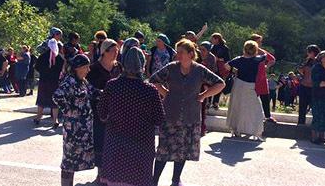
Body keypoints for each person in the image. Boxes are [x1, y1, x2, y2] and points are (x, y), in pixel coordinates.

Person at [150, 39, 225, 186]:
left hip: (191, 116)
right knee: (163, 150)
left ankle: (176, 180)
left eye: (181, 52)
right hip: (170, 115)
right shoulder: (171, 68)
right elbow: (154, 80)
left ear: (191, 54)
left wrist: (203, 95)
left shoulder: (199, 70)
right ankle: (154, 182)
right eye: (177, 52)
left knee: (183, 150)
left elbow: (220, 83)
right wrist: (165, 92)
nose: (178, 55)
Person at [98, 47, 165, 186]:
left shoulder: (112, 86)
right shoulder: (150, 90)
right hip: (141, 146)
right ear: (142, 64)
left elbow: (102, 112)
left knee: (115, 181)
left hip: (115, 143)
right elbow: (159, 119)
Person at [53, 54, 96, 186]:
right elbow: (57, 96)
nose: (88, 70)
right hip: (73, 129)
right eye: (86, 67)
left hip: (83, 128)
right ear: (78, 68)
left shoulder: (83, 81)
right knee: (69, 160)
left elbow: (94, 92)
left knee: (75, 159)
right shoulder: (69, 81)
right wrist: (69, 111)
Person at [86, 39, 122, 182]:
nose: (116, 53)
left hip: (116, 111)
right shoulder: (94, 68)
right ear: (104, 52)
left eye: (117, 51)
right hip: (98, 111)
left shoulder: (118, 67)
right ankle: (100, 175)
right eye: (113, 51)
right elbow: (87, 88)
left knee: (113, 143)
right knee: (100, 143)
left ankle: (110, 175)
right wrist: (99, 93)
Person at [225, 40, 266, 140]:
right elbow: (269, 56)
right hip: (251, 85)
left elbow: (226, 66)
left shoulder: (239, 59)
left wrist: (234, 71)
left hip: (238, 83)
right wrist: (257, 47)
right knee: (255, 109)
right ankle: (256, 131)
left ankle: (235, 129)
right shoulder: (258, 59)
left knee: (237, 106)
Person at [34, 39, 65, 128]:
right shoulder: (59, 58)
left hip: (44, 80)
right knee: (54, 101)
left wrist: (44, 72)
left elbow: (37, 67)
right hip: (54, 82)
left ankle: (38, 118)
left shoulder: (42, 56)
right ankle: (55, 120)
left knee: (41, 100)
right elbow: (62, 70)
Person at [251, 34, 277, 123]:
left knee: (265, 97)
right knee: (251, 98)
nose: (260, 43)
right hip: (252, 78)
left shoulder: (262, 52)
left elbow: (272, 59)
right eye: (259, 41)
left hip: (261, 78)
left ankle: (268, 116)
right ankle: (250, 115)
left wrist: (266, 66)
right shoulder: (248, 51)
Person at [198, 41, 218, 136]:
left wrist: (207, 85)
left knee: (202, 108)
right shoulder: (196, 56)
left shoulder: (211, 58)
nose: (201, 51)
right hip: (194, 84)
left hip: (204, 85)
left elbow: (212, 73)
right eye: (200, 49)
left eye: (203, 50)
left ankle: (202, 129)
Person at [210, 33, 231, 109]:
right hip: (212, 67)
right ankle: (209, 101)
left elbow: (227, 59)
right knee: (210, 84)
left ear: (217, 39)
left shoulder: (225, 48)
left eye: (212, 39)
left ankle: (215, 102)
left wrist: (218, 59)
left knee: (218, 85)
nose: (211, 40)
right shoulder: (212, 47)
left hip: (220, 69)